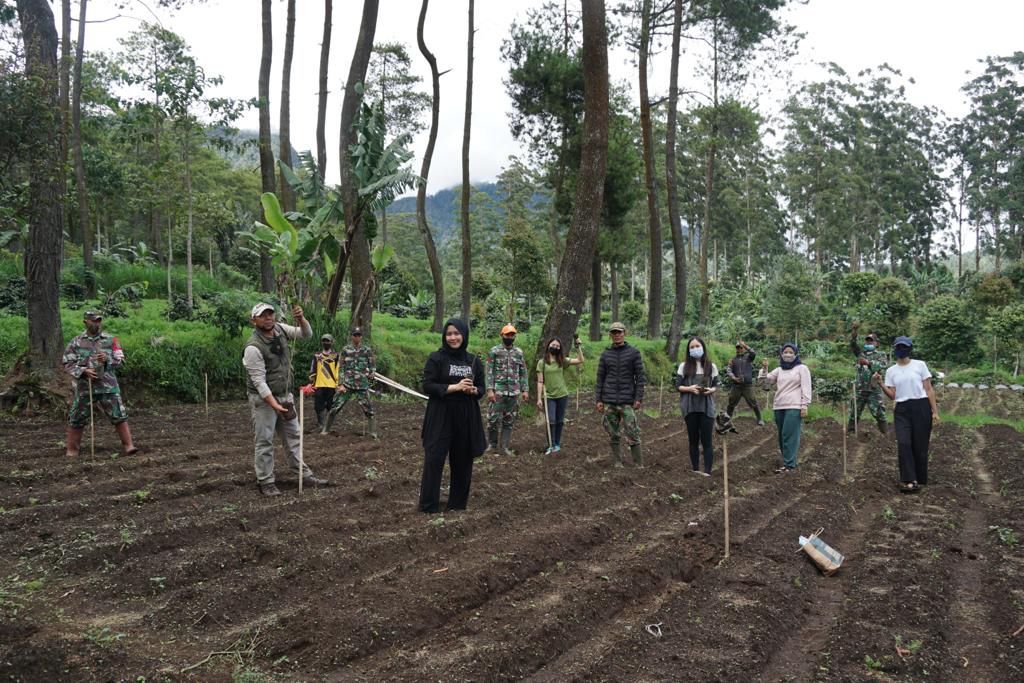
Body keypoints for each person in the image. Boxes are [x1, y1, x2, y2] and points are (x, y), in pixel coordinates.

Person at [243, 302, 328, 496]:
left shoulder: (280, 329)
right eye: (263, 315)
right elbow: (259, 382)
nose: (268, 318)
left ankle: (303, 475)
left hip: (285, 395)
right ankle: (266, 481)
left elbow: (306, 334)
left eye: (270, 314)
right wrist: (275, 405)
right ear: (254, 320)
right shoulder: (253, 348)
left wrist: (301, 319)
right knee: (264, 440)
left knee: (293, 436)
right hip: (263, 400)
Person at [419, 319, 487, 513]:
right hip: (441, 415)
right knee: (434, 459)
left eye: (457, 333)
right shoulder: (436, 358)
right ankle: (428, 505)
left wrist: (474, 390)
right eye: (449, 334)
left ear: (464, 335)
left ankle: (457, 505)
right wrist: (454, 387)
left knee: (463, 461)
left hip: (465, 417)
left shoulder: (473, 361)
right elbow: (427, 385)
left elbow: (482, 387)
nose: (453, 337)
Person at [61, 310, 138, 457]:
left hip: (108, 386)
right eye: (93, 321)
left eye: (98, 320)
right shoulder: (76, 342)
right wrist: (83, 371)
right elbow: (67, 362)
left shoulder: (111, 340)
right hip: (85, 387)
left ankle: (129, 446)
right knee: (77, 417)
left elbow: (120, 360)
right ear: (86, 322)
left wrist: (108, 359)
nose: (96, 323)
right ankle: (72, 450)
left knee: (119, 415)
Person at [878, 336, 939, 493]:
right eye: (898, 347)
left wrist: (934, 411)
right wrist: (880, 384)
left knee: (920, 445)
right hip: (902, 409)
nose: (901, 350)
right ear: (895, 348)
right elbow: (892, 395)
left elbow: (928, 389)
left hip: (921, 406)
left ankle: (920, 478)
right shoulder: (891, 371)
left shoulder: (920, 365)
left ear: (910, 348)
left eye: (904, 347)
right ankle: (909, 479)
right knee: (904, 443)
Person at [595, 321, 646, 468]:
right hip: (609, 401)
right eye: (614, 332)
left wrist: (638, 398)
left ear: (625, 333)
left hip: (627, 401)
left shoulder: (634, 353)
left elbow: (640, 377)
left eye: (619, 332)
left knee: (633, 431)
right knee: (613, 433)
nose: (617, 335)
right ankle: (618, 462)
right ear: (610, 335)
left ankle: (638, 464)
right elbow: (600, 378)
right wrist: (598, 399)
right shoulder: (606, 354)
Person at [757, 343, 812, 473]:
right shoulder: (779, 370)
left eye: (790, 352)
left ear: (796, 354)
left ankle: (789, 465)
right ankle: (787, 461)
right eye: (785, 352)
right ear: (781, 354)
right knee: (782, 435)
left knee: (789, 434)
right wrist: (764, 369)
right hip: (779, 406)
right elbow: (764, 382)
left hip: (794, 406)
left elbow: (806, 387)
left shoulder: (802, 368)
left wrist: (804, 405)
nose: (787, 354)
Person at [674, 337, 720, 476]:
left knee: (707, 440)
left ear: (703, 347)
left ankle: (707, 471)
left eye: (697, 346)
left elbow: (716, 384)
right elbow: (678, 386)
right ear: (689, 350)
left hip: (706, 406)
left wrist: (711, 390)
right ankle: (695, 469)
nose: (695, 349)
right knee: (693, 440)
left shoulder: (711, 366)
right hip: (690, 406)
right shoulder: (684, 366)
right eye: (692, 347)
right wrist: (690, 388)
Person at [321, 326, 377, 438]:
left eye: (359, 335)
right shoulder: (345, 350)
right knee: (335, 407)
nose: (357, 337)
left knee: (369, 409)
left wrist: (371, 374)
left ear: (361, 337)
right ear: (352, 336)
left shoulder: (367, 350)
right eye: (355, 335)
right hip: (347, 384)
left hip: (362, 384)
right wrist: (340, 384)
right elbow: (341, 368)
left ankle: (372, 433)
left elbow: (372, 366)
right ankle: (325, 430)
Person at [535, 334, 585, 455]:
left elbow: (580, 360)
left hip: (562, 394)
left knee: (559, 421)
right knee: (550, 421)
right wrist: (539, 398)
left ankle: (557, 444)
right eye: (553, 345)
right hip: (549, 396)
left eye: (557, 346)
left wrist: (578, 347)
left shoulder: (562, 360)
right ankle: (550, 445)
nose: (555, 347)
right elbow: (540, 381)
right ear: (548, 346)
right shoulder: (542, 362)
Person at [485, 324, 529, 455]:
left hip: (513, 392)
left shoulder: (519, 353)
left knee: (509, 420)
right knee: (492, 419)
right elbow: (489, 372)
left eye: (512, 335)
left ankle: (504, 447)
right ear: (502, 335)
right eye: (507, 335)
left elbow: (523, 372)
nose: (510, 337)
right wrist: (490, 390)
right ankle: (492, 445)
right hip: (498, 391)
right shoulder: (494, 351)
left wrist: (525, 390)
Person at [848, 323, 889, 434]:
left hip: (874, 389)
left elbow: (882, 365)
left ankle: (885, 435)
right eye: (867, 340)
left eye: (871, 341)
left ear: (877, 343)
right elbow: (853, 343)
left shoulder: (881, 354)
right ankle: (851, 434)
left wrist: (868, 362)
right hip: (860, 389)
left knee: (879, 413)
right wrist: (854, 330)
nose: (869, 342)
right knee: (854, 412)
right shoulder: (860, 353)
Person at [725, 340, 764, 425]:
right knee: (731, 402)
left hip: (747, 386)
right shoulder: (733, 360)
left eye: (741, 348)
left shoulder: (748, 358)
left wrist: (746, 345)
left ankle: (760, 418)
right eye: (738, 348)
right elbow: (728, 370)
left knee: (753, 402)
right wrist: (734, 378)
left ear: (744, 348)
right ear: (736, 349)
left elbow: (753, 353)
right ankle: (727, 419)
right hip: (736, 386)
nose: (739, 349)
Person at [309, 333, 340, 431]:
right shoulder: (317, 356)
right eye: (324, 341)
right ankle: (320, 424)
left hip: (331, 385)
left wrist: (338, 384)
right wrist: (311, 382)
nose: (326, 342)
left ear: (332, 342)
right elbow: (313, 369)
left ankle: (328, 425)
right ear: (322, 342)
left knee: (331, 405)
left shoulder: (335, 356)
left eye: (328, 341)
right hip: (319, 384)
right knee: (318, 406)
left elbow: (338, 369)